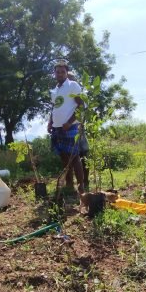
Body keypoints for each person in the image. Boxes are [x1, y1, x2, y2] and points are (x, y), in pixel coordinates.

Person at [48, 61, 86, 195]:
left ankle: (81, 187)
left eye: (62, 72)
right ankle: (70, 185)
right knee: (64, 157)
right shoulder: (55, 90)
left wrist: (70, 122)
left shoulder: (73, 85)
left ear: (66, 73)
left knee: (74, 157)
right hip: (57, 128)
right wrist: (50, 123)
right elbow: (54, 108)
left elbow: (81, 105)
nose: (60, 74)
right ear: (54, 74)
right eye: (57, 72)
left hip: (70, 127)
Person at [65, 71, 90, 190]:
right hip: (66, 130)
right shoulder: (64, 95)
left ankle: (85, 181)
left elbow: (82, 109)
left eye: (70, 79)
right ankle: (70, 183)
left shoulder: (78, 94)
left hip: (78, 128)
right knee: (68, 156)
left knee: (83, 154)